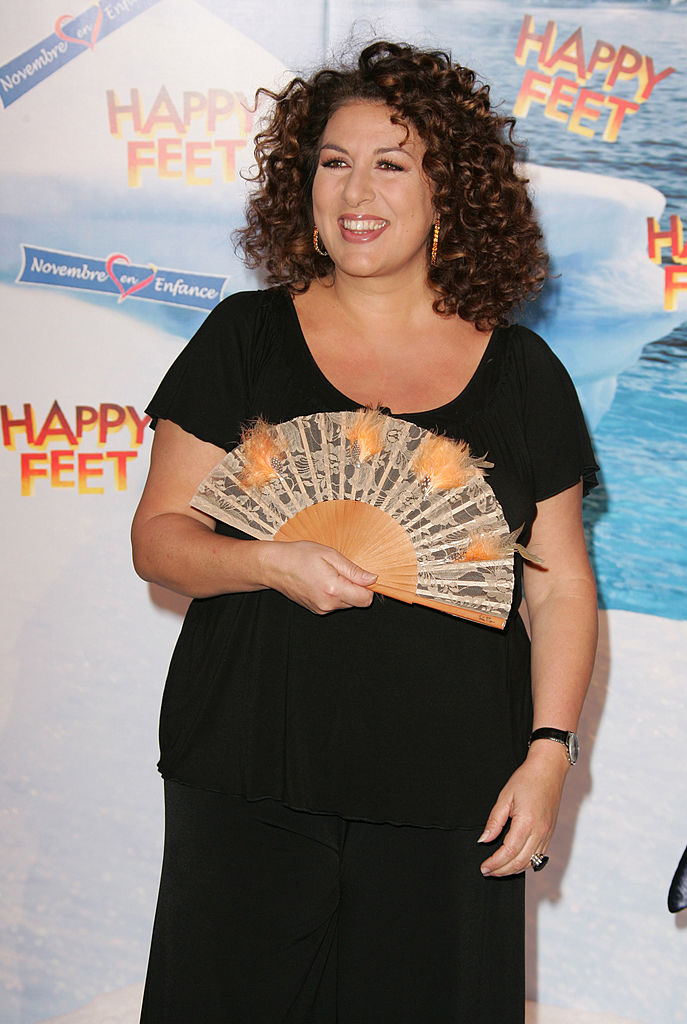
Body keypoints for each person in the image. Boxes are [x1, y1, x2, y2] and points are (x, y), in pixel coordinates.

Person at [132, 40, 598, 1023]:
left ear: (446, 192)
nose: (356, 191)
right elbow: (160, 540)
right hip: (249, 769)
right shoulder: (244, 337)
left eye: (391, 164)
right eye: (333, 161)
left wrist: (549, 751)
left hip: (451, 787)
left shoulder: (521, 373)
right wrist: (268, 560)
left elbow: (557, 584)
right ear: (300, 186)